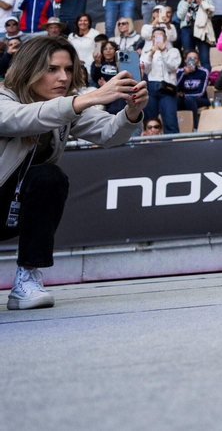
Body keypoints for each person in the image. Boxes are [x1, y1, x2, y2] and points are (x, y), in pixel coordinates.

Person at [0, 35, 146, 309]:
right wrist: (90, 98)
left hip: (12, 209)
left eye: (68, 69)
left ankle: (27, 279)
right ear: (29, 68)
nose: (63, 78)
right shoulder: (3, 98)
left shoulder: (66, 106)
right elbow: (21, 118)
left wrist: (132, 113)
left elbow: (109, 133)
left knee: (49, 177)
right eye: (52, 69)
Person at [140, 27, 182, 132]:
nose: (157, 39)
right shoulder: (146, 52)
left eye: (160, 36)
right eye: (155, 36)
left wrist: (163, 51)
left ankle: (172, 145)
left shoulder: (173, 51)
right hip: (151, 87)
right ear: (152, 38)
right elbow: (144, 69)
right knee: (150, 120)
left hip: (167, 88)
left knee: (170, 119)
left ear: (165, 37)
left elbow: (172, 67)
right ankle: (149, 142)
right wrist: (151, 54)